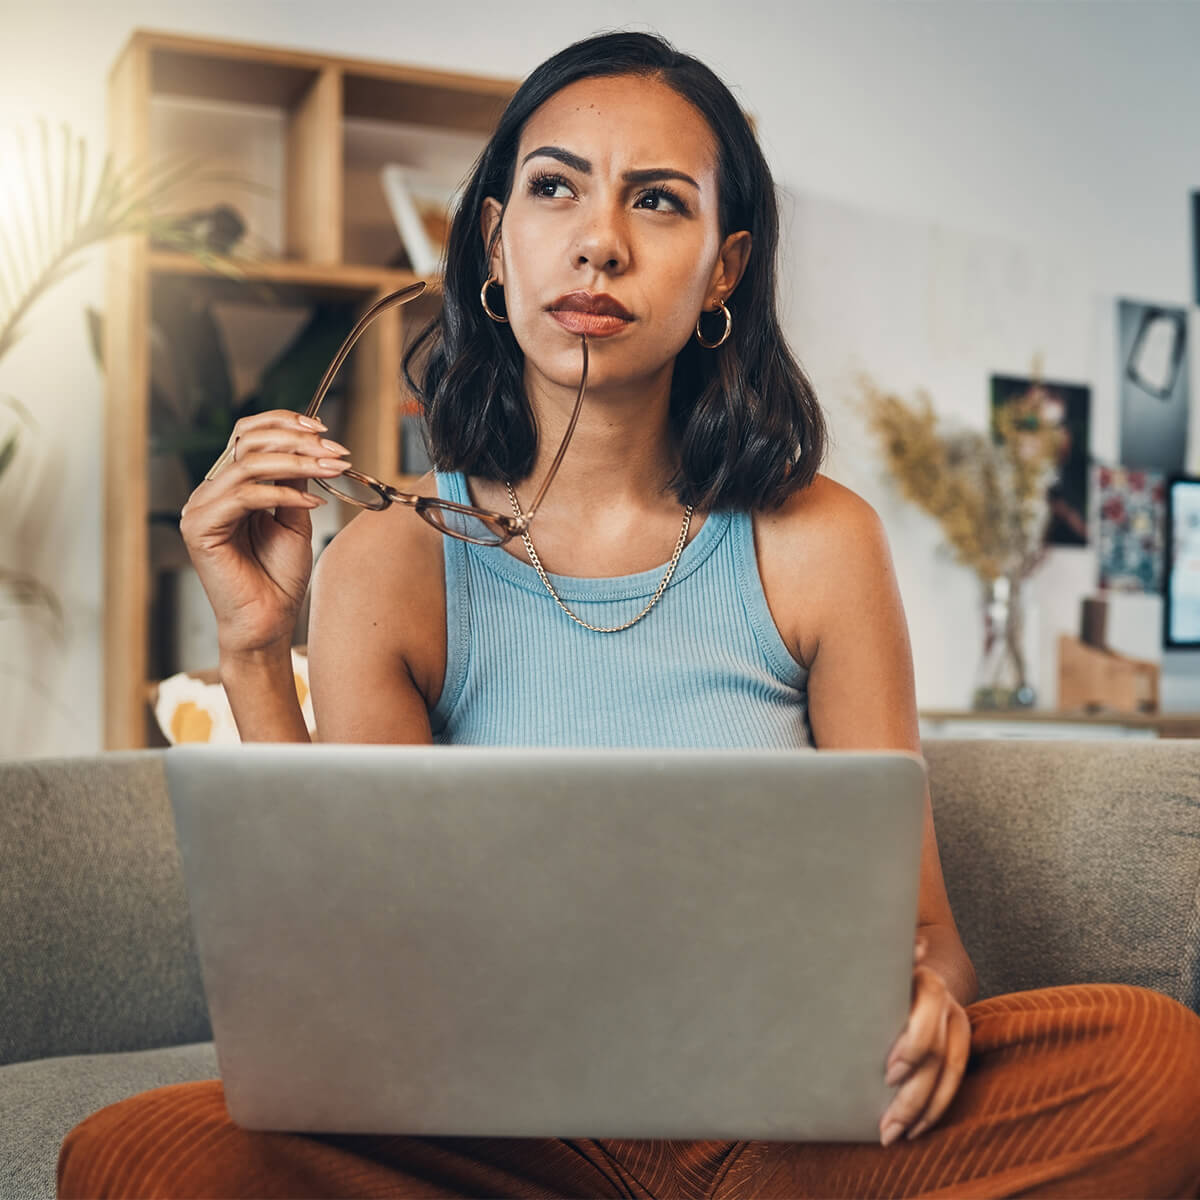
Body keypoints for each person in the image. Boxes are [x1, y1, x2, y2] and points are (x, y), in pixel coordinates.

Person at [59, 30, 1200, 1200]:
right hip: (505, 1131)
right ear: (498, 244)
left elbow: (930, 944)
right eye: (554, 187)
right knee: (133, 1161)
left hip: (785, 1132)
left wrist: (926, 1006)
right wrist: (256, 651)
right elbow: (363, 973)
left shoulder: (819, 542)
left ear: (722, 268)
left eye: (658, 202)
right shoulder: (389, 563)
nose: (599, 241)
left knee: (1162, 1066)